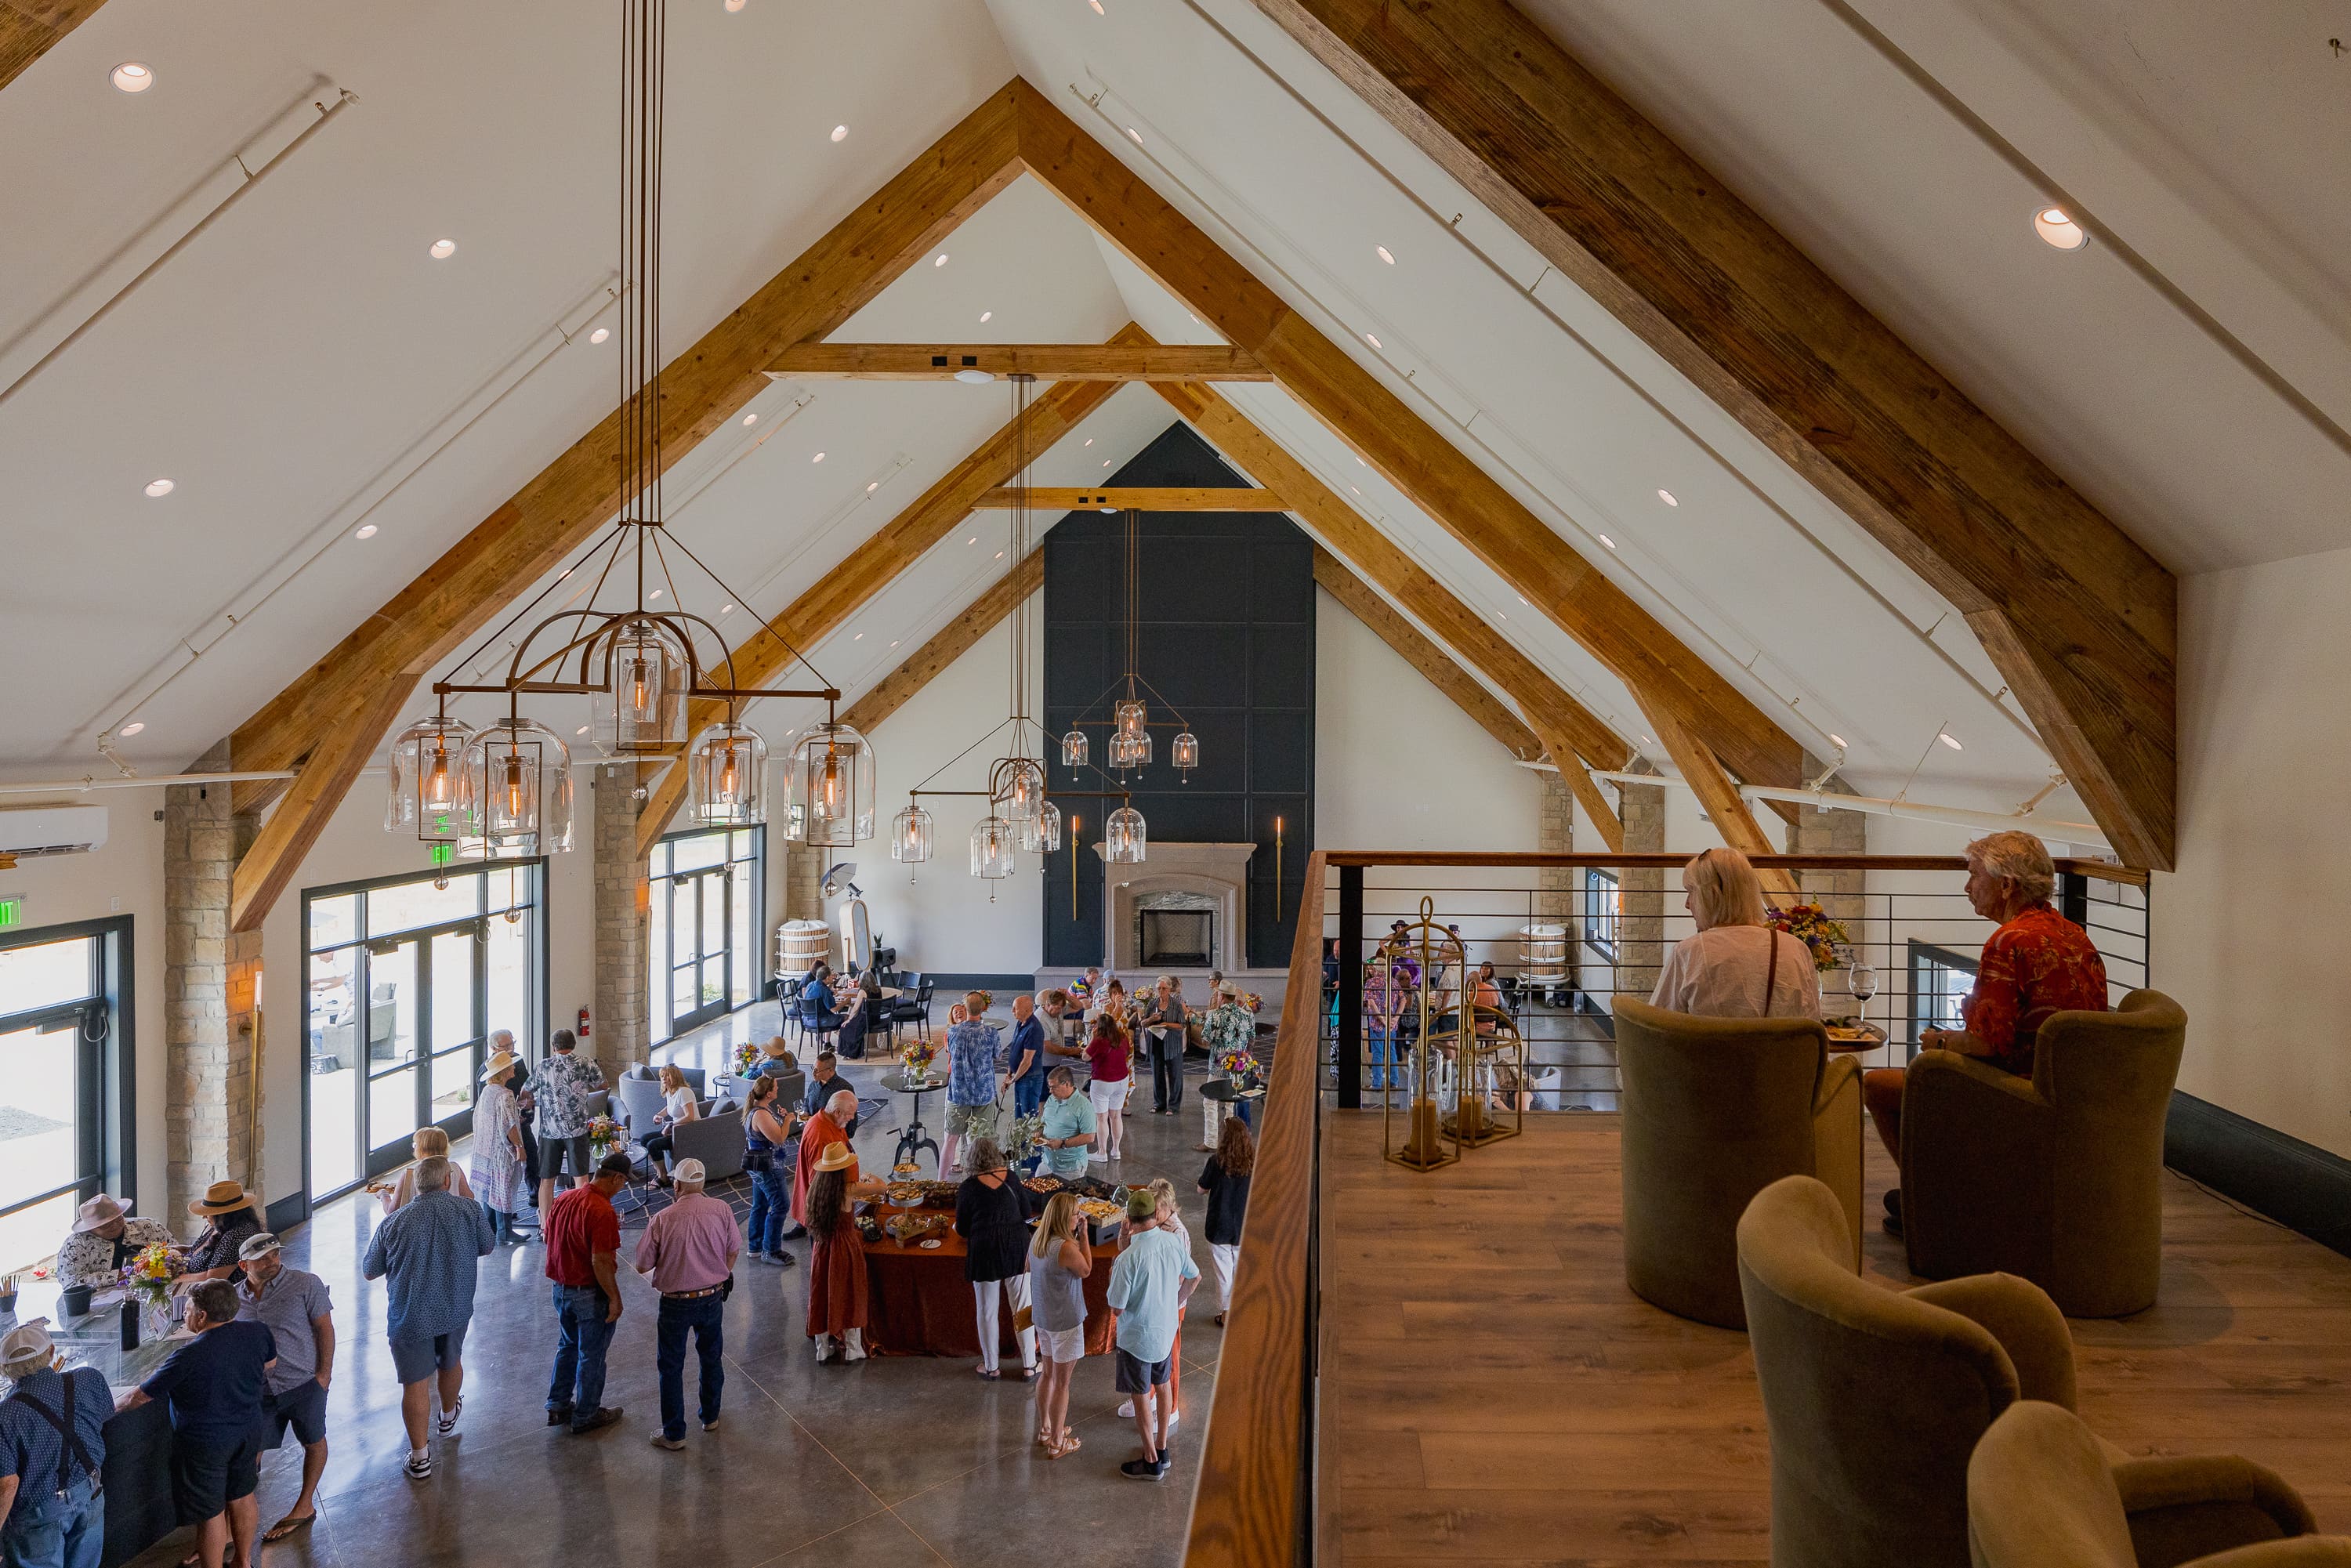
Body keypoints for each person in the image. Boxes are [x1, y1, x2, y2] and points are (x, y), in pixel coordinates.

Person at [1866, 831, 2109, 1232]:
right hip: (2073, 1091)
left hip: (2020, 1093)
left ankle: (1932, 1204)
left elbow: (1987, 1045)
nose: (1967, 887)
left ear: (2006, 885)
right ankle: (1954, 1192)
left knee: (1878, 1085)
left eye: (1974, 875)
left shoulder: (2008, 941)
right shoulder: (2073, 934)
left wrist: (1939, 1041)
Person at [118, 1279, 274, 1568]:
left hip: (205, 1444)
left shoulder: (188, 1355)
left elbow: (139, 1397)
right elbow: (269, 1364)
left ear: (202, 1316)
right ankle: (243, 1562)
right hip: (249, 1431)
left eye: (188, 1309)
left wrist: (107, 1407)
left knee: (210, 1512)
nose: (185, 1314)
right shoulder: (257, 1331)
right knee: (243, 1496)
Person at [360, 1155, 494, 1478]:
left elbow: (370, 1270)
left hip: (410, 1314)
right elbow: (487, 1246)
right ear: (447, 1181)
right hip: (455, 1306)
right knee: (451, 1362)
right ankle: (447, 1417)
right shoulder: (469, 1210)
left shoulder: (393, 1223)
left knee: (415, 1384)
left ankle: (420, 1458)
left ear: (416, 1185)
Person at [233, 1234, 332, 1544]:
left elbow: (325, 1329)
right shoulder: (234, 1298)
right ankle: (233, 1525)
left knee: (313, 1441)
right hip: (258, 1391)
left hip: (302, 1383)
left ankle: (304, 1505)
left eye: (275, 1254)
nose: (272, 1261)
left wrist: (323, 1377)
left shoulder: (305, 1284)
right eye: (263, 1258)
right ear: (244, 1265)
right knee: (250, 1453)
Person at [633, 1157, 738, 1450]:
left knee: (671, 1366)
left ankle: (674, 1433)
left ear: (677, 1185)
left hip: (675, 1303)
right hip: (712, 1298)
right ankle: (711, 1416)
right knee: (711, 1357)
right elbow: (733, 1249)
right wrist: (721, 1274)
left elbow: (642, 1264)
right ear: (702, 1184)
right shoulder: (723, 1209)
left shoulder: (662, 1218)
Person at [1649, 849, 1823, 1021]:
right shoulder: (1796, 949)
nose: (1687, 904)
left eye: (1691, 892)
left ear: (1712, 895)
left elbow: (1656, 1025)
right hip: (1781, 1041)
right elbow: (1812, 1024)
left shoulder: (1688, 953)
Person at [1105, 1187, 1198, 1481]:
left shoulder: (1127, 1259)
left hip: (1137, 1339)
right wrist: (1174, 1301)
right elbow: (1195, 1277)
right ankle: (1162, 1447)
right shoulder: (1172, 1242)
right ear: (1155, 1215)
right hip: (1165, 1331)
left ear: (1129, 1220)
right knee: (1163, 1385)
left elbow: (1117, 1308)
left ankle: (1150, 1460)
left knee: (1141, 1395)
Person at [0, 1321, 110, 1568]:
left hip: (38, 1516)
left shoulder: (6, 1415)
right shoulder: (88, 1379)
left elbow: (7, 1485)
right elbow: (102, 1417)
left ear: (5, 1370)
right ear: (51, 1352)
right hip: (90, 1495)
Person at [543, 1153, 630, 1436]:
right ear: (616, 1178)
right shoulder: (602, 1210)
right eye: (624, 1183)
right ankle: (587, 1414)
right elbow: (601, 1261)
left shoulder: (565, 1197)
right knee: (591, 1355)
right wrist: (614, 1298)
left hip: (560, 1289)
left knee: (567, 1346)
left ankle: (558, 1405)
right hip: (588, 1293)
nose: (622, 1188)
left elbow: (548, 1236)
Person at [955, 1138, 1038, 1382]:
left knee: (987, 1310)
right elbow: (1026, 1212)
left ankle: (992, 1367)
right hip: (1016, 1245)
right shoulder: (1011, 1178)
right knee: (1023, 1307)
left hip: (984, 1250)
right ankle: (1030, 1365)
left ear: (971, 1160)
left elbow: (962, 1228)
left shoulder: (968, 1187)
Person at [1027, 1192, 1093, 1459]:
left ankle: (1046, 1429)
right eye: (1077, 1214)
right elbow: (1086, 1270)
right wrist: (1084, 1236)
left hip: (1043, 1318)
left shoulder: (1038, 1239)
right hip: (1065, 1321)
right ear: (1065, 1218)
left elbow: (1029, 1267)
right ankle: (1057, 1442)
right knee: (1062, 1384)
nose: (1079, 1218)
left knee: (1047, 1375)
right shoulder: (1065, 1247)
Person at [804, 1144, 882, 1363]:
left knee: (821, 1294)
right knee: (850, 1293)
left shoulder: (815, 1190)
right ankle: (853, 1348)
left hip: (822, 1248)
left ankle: (822, 1348)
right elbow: (882, 1188)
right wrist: (869, 1176)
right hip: (845, 1247)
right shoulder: (848, 1190)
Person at [527, 1028, 607, 1215]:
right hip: (577, 1130)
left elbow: (526, 1090)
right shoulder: (586, 1063)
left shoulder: (543, 1066)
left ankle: (545, 1224)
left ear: (553, 1047)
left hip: (550, 1131)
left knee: (547, 1180)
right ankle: (581, 1221)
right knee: (582, 1179)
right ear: (574, 1044)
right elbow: (603, 1085)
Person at [1198, 1116, 1255, 1327]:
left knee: (1223, 1273)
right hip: (1244, 1225)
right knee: (1240, 1270)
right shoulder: (1254, 1161)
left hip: (1219, 1224)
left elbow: (1201, 1188)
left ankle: (1226, 1314)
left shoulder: (1217, 1161)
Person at [471, 1049, 532, 1244]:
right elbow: (509, 1125)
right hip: (500, 1150)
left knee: (490, 1188)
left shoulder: (488, 1091)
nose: (514, 1067)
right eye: (510, 1066)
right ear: (504, 1071)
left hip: (485, 1148)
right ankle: (505, 1231)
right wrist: (519, 1146)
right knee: (503, 1186)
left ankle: (490, 1228)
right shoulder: (505, 1095)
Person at [55, 1194, 172, 1290]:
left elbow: (174, 1251)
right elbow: (72, 1282)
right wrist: (120, 1276)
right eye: (106, 1225)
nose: (115, 1225)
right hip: (99, 1302)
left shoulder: (148, 1227)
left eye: (119, 1219)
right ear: (90, 1228)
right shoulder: (75, 1246)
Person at [942, 994, 1002, 1175]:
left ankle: (941, 1180)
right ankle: (982, 1179)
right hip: (983, 1092)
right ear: (983, 1009)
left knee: (951, 1139)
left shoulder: (953, 1032)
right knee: (983, 1140)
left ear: (965, 1009)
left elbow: (950, 1051)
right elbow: (998, 1056)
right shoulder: (991, 1033)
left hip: (959, 1092)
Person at [741, 1077, 798, 1269]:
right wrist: (788, 1120)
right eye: (776, 1087)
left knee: (761, 1204)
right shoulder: (760, 1114)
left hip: (762, 1166)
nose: (778, 1088)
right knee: (781, 1205)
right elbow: (779, 1138)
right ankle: (771, 1250)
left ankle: (756, 1246)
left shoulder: (762, 1109)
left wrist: (781, 1117)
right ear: (768, 1093)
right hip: (768, 1167)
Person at [1197, 983, 1257, 1146]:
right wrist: (1245, 1055)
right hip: (1239, 1066)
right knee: (1232, 1101)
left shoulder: (1215, 1016)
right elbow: (1252, 1037)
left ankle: (1211, 1142)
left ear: (1221, 996)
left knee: (1210, 1101)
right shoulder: (1247, 1015)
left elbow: (1205, 1040)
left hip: (1218, 1066)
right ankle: (1230, 1141)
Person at [792, 1088, 860, 1229]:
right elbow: (820, 1183)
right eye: (850, 1114)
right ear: (837, 1112)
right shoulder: (821, 1137)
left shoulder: (833, 1121)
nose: (852, 1118)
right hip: (826, 1212)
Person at [373, 1127, 475, 1215]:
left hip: (419, 1225)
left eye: (415, 1145)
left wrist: (383, 1195)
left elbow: (392, 1211)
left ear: (421, 1149)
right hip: (450, 1222)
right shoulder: (454, 1168)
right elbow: (469, 1198)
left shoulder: (410, 1174)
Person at [179, 1182, 264, 1284]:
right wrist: (182, 1249)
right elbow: (210, 1252)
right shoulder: (221, 1226)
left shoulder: (236, 1235)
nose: (204, 1216)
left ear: (223, 1215)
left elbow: (213, 1278)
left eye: (209, 1212)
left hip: (220, 1291)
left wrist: (175, 1278)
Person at [1083, 1012, 1132, 1164]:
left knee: (1102, 1118)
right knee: (1116, 1117)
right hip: (1122, 1080)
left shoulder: (1099, 1041)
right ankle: (1116, 1150)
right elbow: (1127, 1053)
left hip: (1102, 1082)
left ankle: (1102, 1152)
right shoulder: (1122, 1038)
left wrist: (1092, 1038)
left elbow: (1085, 1057)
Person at [639, 1064, 699, 1186]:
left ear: (675, 1077)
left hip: (687, 1131)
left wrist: (671, 1125)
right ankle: (660, 1172)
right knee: (644, 1139)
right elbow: (670, 1108)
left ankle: (663, 1178)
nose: (664, 1079)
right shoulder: (670, 1091)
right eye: (662, 1076)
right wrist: (658, 1115)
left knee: (653, 1145)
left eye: (667, 1076)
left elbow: (690, 1117)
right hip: (675, 1130)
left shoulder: (684, 1092)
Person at [1138, 976, 1189, 1115]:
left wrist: (1167, 1024)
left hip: (1172, 1044)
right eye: (1159, 988)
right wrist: (1151, 1019)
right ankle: (1159, 1103)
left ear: (1169, 989)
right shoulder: (1152, 1003)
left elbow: (1182, 1025)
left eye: (1164, 989)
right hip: (1156, 1043)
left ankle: (1173, 1106)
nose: (1161, 991)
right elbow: (1143, 1023)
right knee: (1157, 1075)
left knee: (1175, 1075)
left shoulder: (1176, 1004)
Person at [1037, 1068, 1096, 1179]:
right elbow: (1044, 1121)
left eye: (1054, 1087)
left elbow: (1089, 1137)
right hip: (1047, 1163)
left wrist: (1063, 1144)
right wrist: (1039, 1132)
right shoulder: (1051, 1099)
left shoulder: (1083, 1106)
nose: (1050, 1091)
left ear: (1067, 1084)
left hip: (1070, 1169)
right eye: (1049, 1087)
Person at [1005, 994, 1049, 1120]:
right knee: (1019, 1116)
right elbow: (1014, 1050)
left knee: (1028, 1118)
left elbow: (1027, 1061)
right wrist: (1009, 1074)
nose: (1012, 1011)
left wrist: (1013, 1080)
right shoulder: (1021, 1023)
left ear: (1027, 1010)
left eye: (1015, 1008)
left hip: (1030, 1079)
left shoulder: (1034, 1029)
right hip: (1020, 1076)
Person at [799, 1051, 860, 1135]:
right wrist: (805, 1112)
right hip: (811, 1131)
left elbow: (851, 1122)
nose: (813, 1073)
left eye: (817, 1070)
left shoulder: (844, 1089)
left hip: (831, 1135)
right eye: (813, 1068)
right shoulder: (813, 1085)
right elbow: (806, 1104)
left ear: (830, 1070)